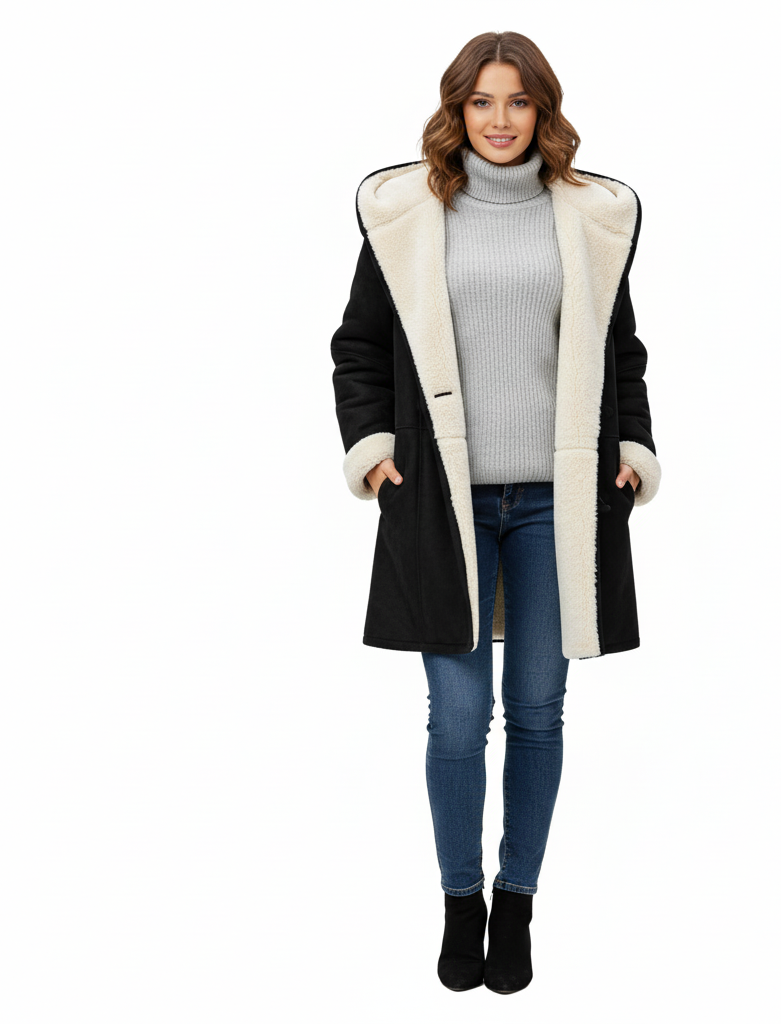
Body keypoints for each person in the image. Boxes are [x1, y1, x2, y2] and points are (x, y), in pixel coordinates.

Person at [330, 31, 661, 994]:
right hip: (443, 502)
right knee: (456, 720)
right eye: (482, 101)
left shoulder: (589, 218)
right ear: (457, 110)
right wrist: (375, 454)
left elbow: (621, 352)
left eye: (519, 101)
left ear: (543, 109)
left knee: (539, 712)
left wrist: (634, 452)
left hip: (559, 504)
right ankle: (460, 901)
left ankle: (517, 903)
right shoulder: (406, 216)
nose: (501, 120)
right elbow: (358, 347)